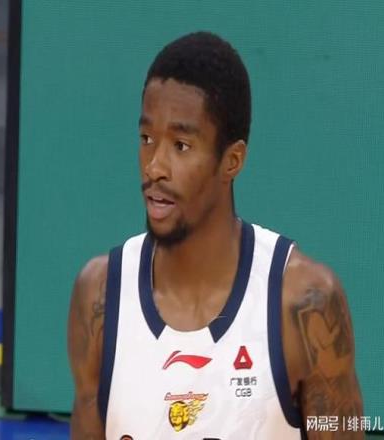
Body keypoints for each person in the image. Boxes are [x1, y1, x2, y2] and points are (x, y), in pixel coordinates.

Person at [67, 32, 363, 439]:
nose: (154, 166)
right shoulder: (99, 297)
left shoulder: (303, 302)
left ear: (232, 160)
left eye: (181, 145)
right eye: (147, 139)